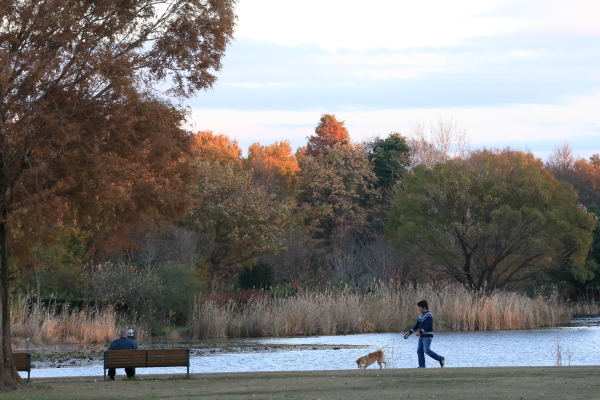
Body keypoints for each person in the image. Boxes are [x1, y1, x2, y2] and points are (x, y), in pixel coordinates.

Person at [404, 300, 445, 368]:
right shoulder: (421, 316)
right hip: (421, 337)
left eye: (419, 307)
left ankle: (440, 358)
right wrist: (410, 332)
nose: (419, 309)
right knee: (419, 351)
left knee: (427, 350)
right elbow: (417, 325)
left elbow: (427, 325)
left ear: (423, 307)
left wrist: (420, 332)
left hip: (427, 336)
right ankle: (422, 366)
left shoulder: (429, 315)